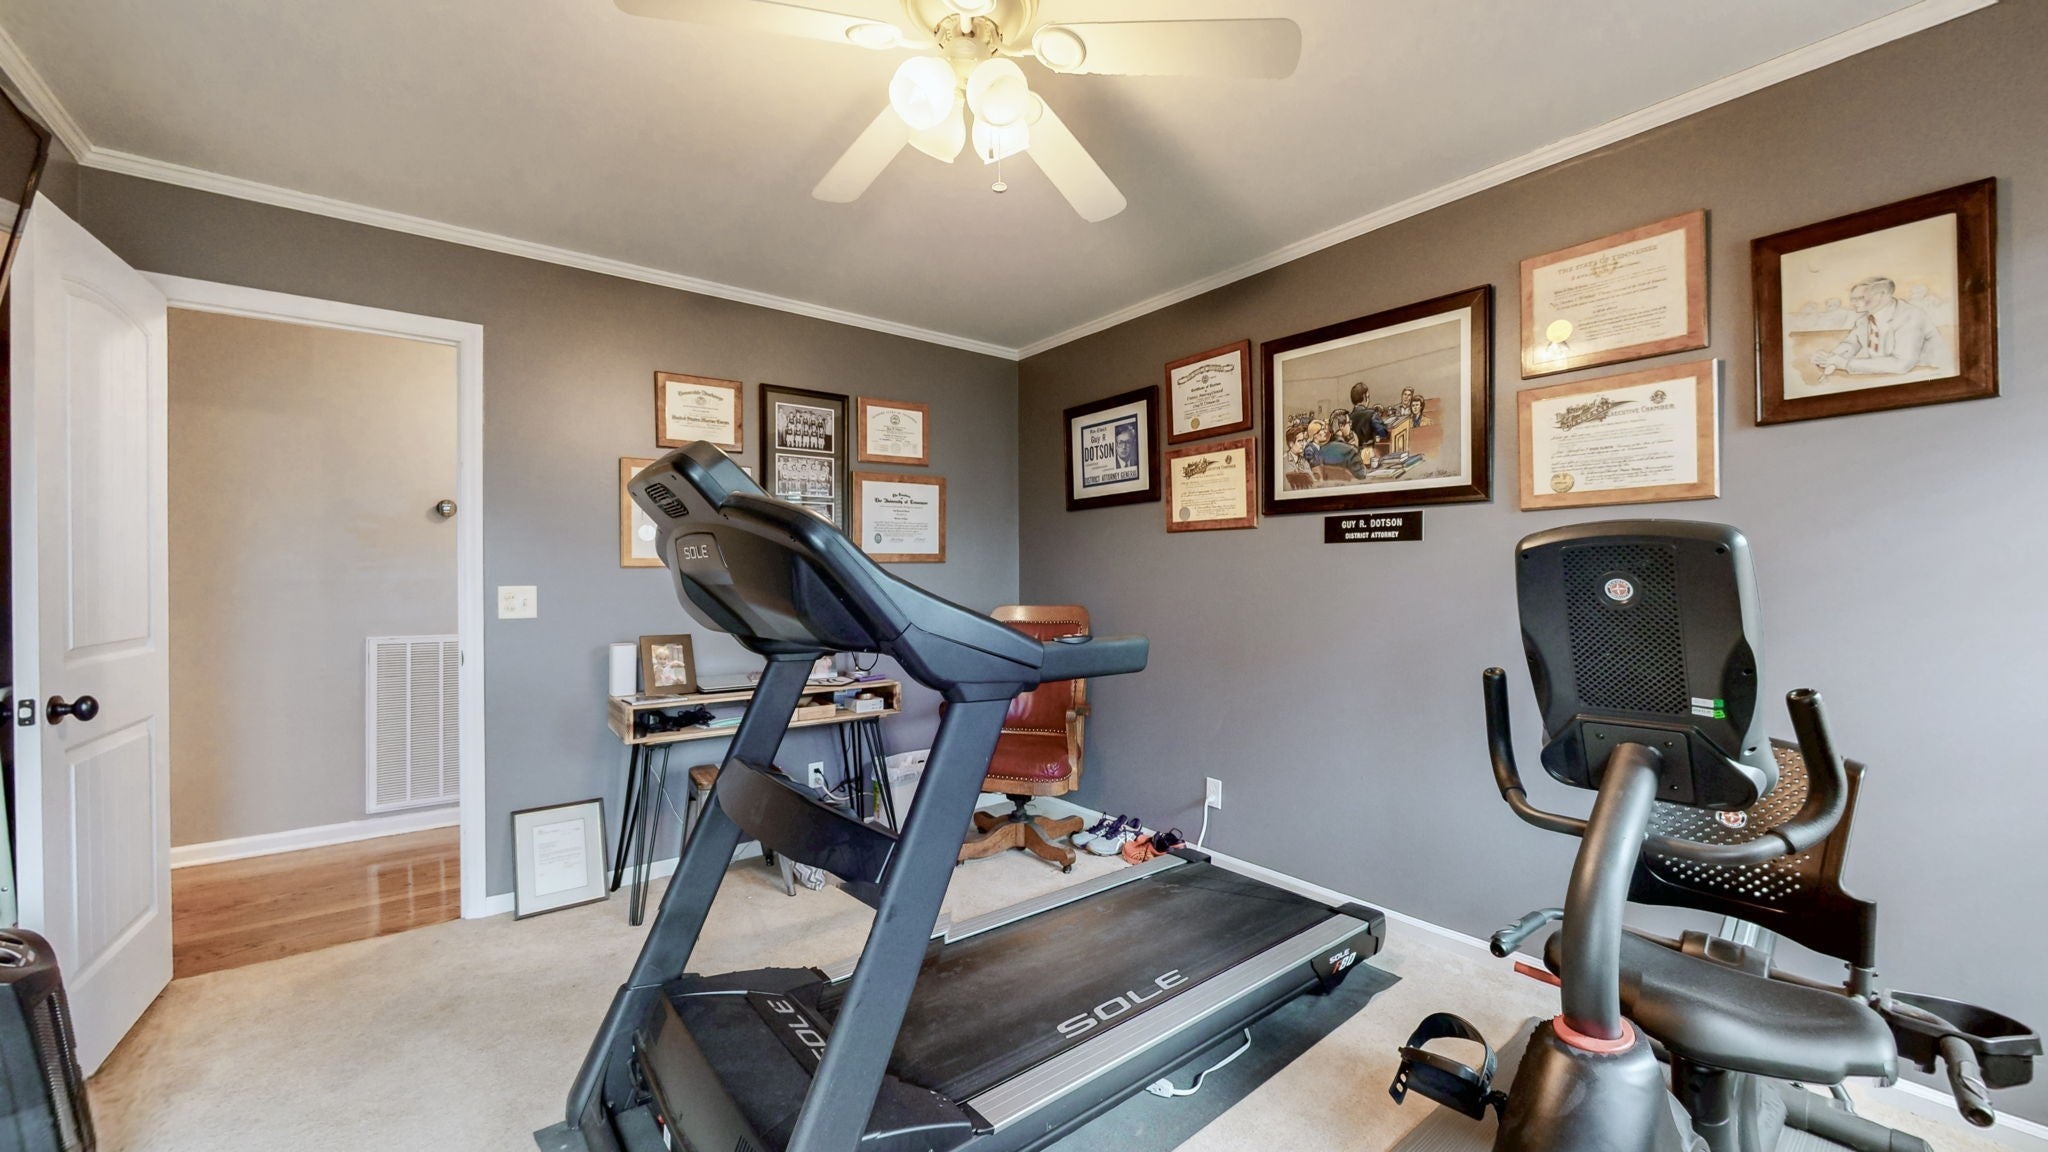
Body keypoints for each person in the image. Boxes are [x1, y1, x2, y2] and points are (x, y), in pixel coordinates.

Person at [1812, 276, 1947, 378]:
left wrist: (1846, 364)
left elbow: (1902, 364)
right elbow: (1851, 344)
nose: (1853, 303)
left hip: (1926, 376)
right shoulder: (1864, 320)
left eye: (1860, 298)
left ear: (1882, 294)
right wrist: (1830, 357)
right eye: (1853, 299)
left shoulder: (1910, 316)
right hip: (1886, 376)